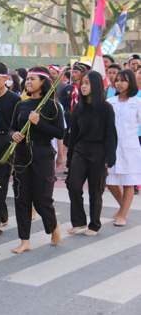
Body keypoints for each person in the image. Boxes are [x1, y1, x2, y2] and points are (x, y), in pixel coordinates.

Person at [10, 66, 64, 254]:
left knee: (42, 198)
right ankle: (25, 240)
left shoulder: (52, 105)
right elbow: (11, 127)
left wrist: (39, 122)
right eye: (27, 79)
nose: (28, 82)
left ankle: (53, 226)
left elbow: (59, 132)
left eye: (33, 79)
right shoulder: (21, 105)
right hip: (22, 154)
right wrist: (14, 135)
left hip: (42, 153)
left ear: (43, 82)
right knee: (21, 197)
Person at [66, 71, 117, 236]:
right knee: (73, 185)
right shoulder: (79, 108)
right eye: (82, 83)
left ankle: (94, 225)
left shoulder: (105, 108)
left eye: (87, 83)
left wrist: (110, 158)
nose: (83, 86)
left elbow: (111, 134)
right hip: (80, 150)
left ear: (95, 85)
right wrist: (69, 158)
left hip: (98, 151)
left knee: (95, 190)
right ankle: (79, 221)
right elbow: (73, 136)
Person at [0, 63, 21, 234]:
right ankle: (4, 215)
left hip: (7, 142)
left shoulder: (15, 99)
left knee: (0, 180)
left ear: (6, 79)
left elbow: (17, 125)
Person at [106, 69, 141, 226]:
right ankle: (123, 207)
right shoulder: (110, 102)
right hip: (112, 148)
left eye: (123, 80)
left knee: (128, 182)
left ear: (130, 83)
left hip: (130, 147)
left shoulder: (137, 102)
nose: (119, 83)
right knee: (109, 180)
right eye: (117, 80)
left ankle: (123, 215)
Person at [59, 62, 87, 147]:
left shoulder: (86, 88)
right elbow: (61, 103)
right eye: (72, 72)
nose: (73, 74)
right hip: (69, 118)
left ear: (82, 74)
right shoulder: (67, 88)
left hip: (82, 118)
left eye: (76, 72)